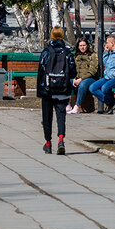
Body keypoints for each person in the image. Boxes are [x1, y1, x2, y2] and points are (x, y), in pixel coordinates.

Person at [38, 27, 76, 155]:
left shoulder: (46, 52)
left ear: (52, 36)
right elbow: (72, 72)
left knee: (47, 118)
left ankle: (48, 143)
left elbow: (41, 72)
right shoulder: (67, 53)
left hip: (48, 90)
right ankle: (61, 139)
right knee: (61, 116)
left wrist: (40, 91)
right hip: (62, 90)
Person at [87, 34, 115, 114]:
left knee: (104, 88)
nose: (106, 44)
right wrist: (106, 53)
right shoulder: (110, 53)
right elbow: (106, 64)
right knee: (92, 88)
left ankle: (111, 103)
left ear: (112, 43)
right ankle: (111, 103)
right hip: (108, 77)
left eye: (107, 43)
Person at [68, 38, 99, 114]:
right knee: (67, 82)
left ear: (87, 46)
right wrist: (74, 79)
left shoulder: (93, 55)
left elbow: (92, 71)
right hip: (78, 78)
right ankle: (67, 105)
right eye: (80, 45)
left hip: (90, 78)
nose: (82, 47)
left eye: (84, 45)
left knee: (83, 84)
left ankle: (77, 106)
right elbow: (73, 69)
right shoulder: (76, 56)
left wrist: (81, 79)